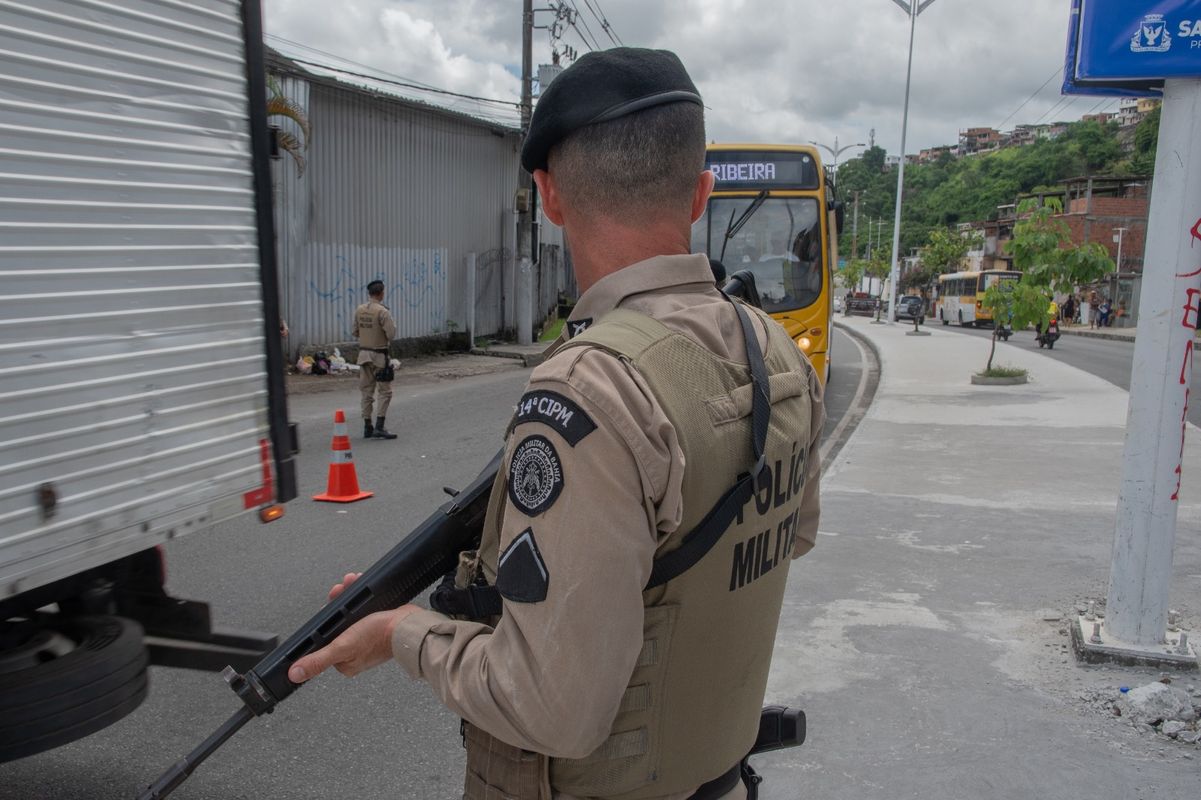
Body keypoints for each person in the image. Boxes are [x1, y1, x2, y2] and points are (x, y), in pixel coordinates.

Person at [288, 48, 823, 800]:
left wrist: (399, 635)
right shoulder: (772, 350)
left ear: (549, 195)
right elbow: (785, 535)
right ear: (701, 193)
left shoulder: (588, 387)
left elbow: (553, 711)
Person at [352, 280, 398, 440]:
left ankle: (367, 426)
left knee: (366, 392)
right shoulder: (383, 311)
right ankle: (379, 426)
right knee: (385, 391)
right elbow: (391, 334)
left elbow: (355, 331)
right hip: (379, 356)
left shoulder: (359, 310)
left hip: (363, 355)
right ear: (381, 293)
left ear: (369, 293)